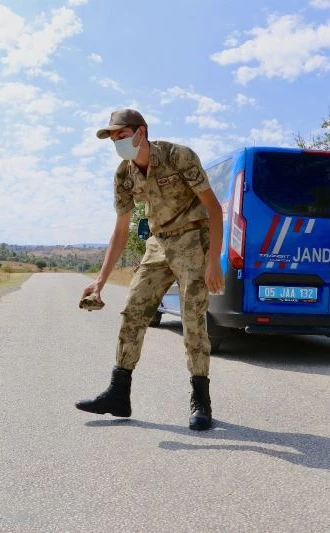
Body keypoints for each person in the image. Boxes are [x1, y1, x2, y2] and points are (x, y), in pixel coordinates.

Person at [75, 108, 224, 431]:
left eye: (122, 135)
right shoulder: (123, 175)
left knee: (192, 319)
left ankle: (201, 400)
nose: (117, 141)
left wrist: (214, 261)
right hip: (158, 243)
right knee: (133, 311)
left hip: (192, 239)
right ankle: (119, 393)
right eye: (113, 137)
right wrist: (99, 281)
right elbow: (121, 229)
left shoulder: (177, 156)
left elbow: (214, 208)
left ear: (141, 131)